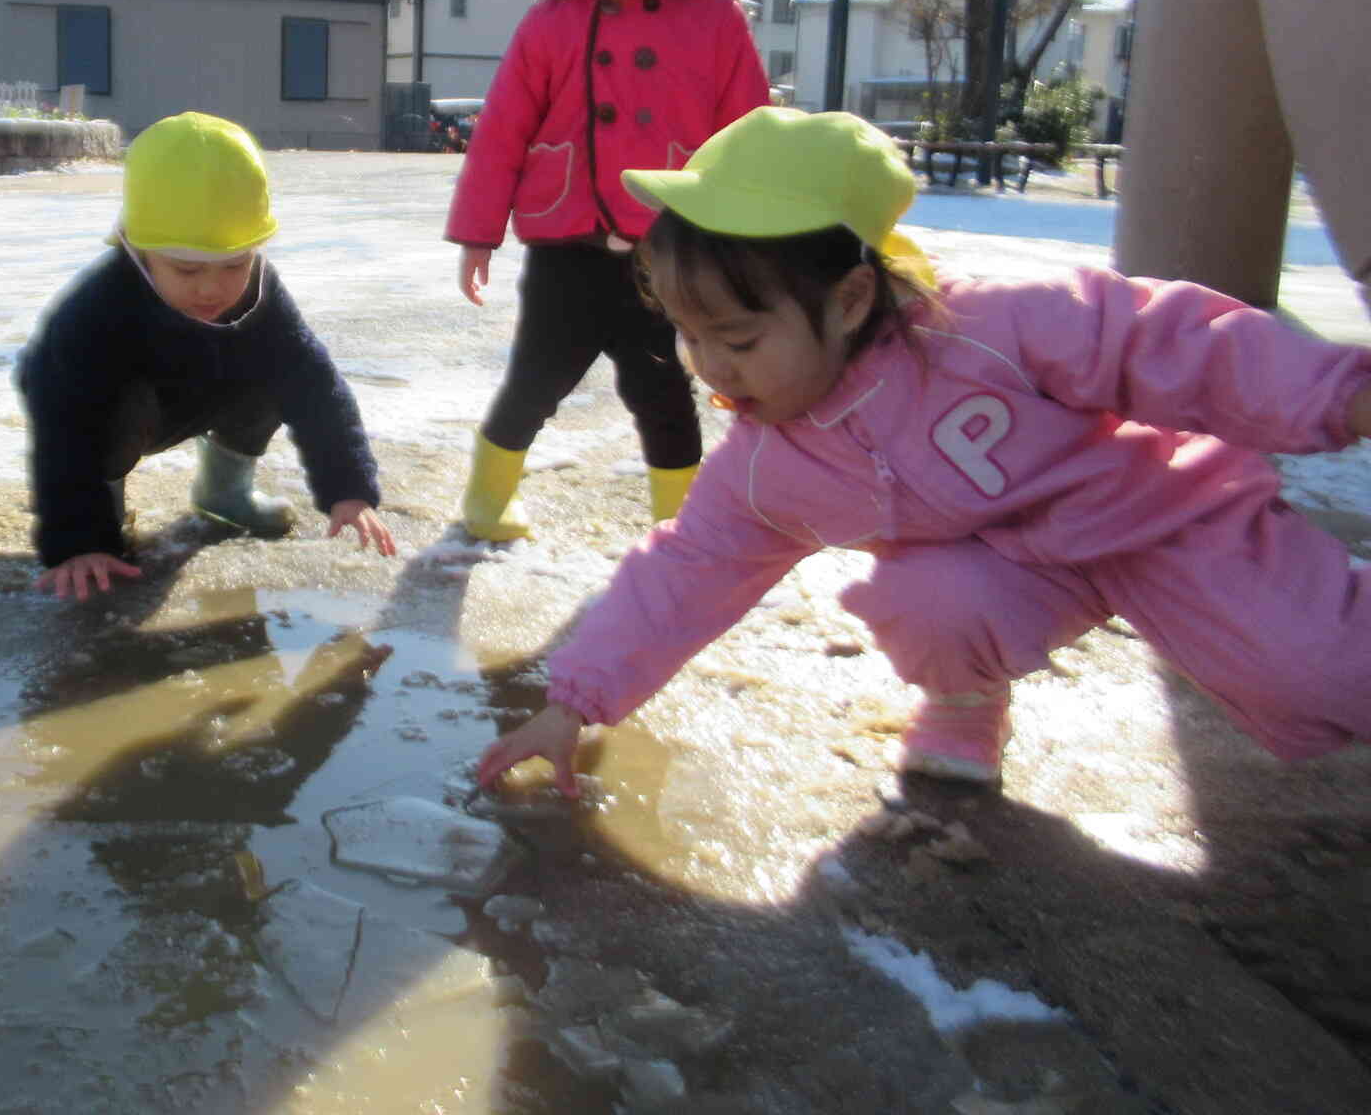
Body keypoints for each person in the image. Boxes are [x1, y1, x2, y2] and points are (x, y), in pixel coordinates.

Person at [477, 106, 1371, 793]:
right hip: (1011, 572)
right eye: (687, 334)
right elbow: (688, 568)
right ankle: (965, 700)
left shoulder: (993, 327)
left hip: (1163, 515)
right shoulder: (769, 461)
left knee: (1326, 673)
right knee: (923, 599)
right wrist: (575, 704)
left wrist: (1336, 397)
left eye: (740, 340)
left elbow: (1168, 341)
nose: (711, 367)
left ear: (854, 297)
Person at [446, 0, 770, 542]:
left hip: (671, 247)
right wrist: (477, 233)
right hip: (567, 247)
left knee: (663, 388)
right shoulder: (549, 21)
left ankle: (680, 528)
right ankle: (487, 498)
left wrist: (756, 241)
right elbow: (501, 133)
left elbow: (751, 133)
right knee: (536, 382)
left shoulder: (716, 17)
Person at [17, 111, 396, 600]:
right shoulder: (98, 310)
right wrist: (78, 539)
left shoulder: (259, 291)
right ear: (138, 248)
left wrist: (348, 487)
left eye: (234, 264)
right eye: (187, 270)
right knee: (109, 411)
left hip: (200, 387)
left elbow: (314, 384)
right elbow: (63, 426)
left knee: (280, 367)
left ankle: (224, 490)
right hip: (110, 411)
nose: (213, 288)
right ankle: (105, 519)